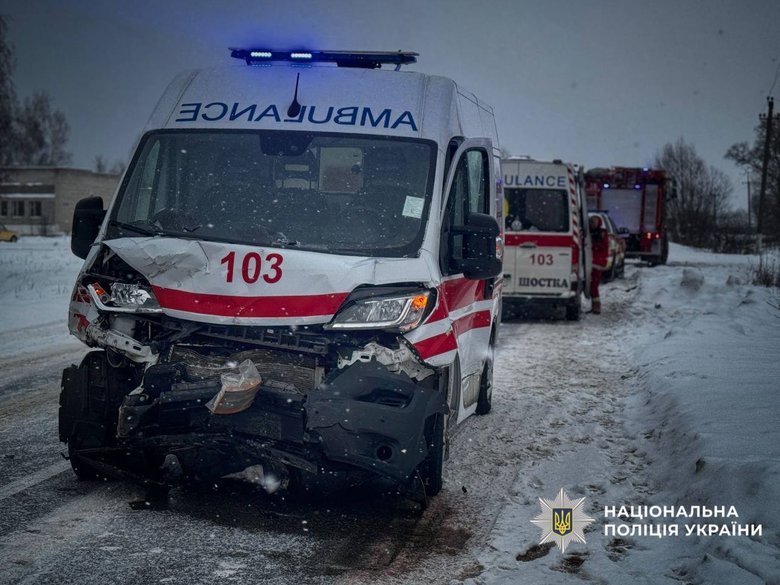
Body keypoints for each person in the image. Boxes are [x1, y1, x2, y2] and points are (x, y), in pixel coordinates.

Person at [589, 215, 609, 314]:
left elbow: (604, 246)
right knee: (592, 285)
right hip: (592, 261)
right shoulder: (591, 232)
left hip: (597, 262)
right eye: (591, 222)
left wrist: (593, 245)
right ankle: (595, 305)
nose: (592, 224)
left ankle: (596, 306)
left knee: (594, 285)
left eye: (594, 222)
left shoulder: (602, 233)